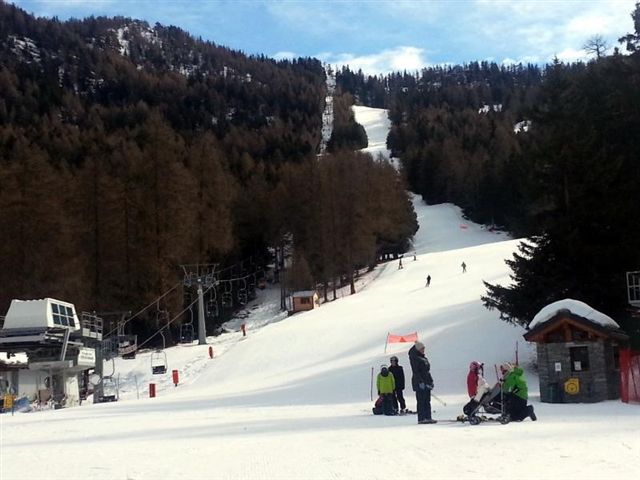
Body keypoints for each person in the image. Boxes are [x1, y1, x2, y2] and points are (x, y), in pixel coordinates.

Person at [408, 341, 437, 424]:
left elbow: (427, 372)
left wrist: (430, 382)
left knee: (427, 401)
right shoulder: (415, 358)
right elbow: (416, 372)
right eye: (422, 348)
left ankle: (428, 417)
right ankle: (421, 418)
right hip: (419, 383)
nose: (423, 350)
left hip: (426, 382)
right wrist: (420, 382)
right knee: (421, 401)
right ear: (418, 349)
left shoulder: (423, 358)